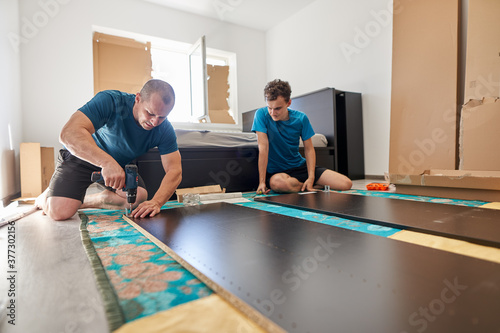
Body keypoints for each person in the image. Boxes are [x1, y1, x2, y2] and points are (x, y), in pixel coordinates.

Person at [35, 79, 182, 220]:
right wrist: (106, 163)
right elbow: (68, 134)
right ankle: (46, 198)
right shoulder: (111, 101)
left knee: (138, 198)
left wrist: (156, 202)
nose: (155, 122)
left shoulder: (164, 129)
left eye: (162, 117)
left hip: (119, 165)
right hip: (82, 156)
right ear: (138, 98)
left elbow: (174, 171)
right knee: (59, 212)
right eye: (150, 113)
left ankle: (88, 200)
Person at [252, 79, 352, 194]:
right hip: (277, 173)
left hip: (299, 167)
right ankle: (308, 187)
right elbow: (263, 149)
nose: (273, 113)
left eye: (277, 108)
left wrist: (311, 177)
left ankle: (306, 185)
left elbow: (309, 149)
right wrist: (262, 182)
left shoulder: (301, 118)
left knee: (346, 184)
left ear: (288, 103)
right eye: (270, 108)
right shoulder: (261, 115)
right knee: (279, 183)